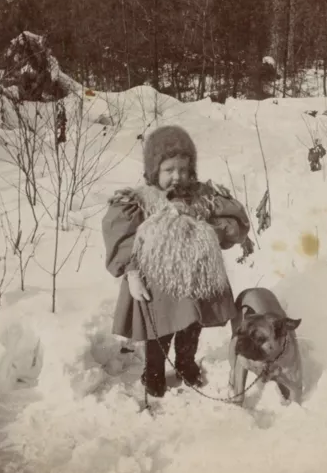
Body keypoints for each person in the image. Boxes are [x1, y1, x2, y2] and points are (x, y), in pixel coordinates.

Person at [102, 125, 250, 398]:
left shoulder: (203, 197)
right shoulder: (141, 201)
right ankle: (154, 371)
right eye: (169, 170)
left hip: (197, 278)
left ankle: (185, 363)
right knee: (161, 329)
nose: (177, 176)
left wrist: (214, 231)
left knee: (192, 325)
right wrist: (132, 273)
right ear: (154, 171)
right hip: (159, 282)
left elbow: (234, 223)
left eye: (183, 169)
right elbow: (125, 240)